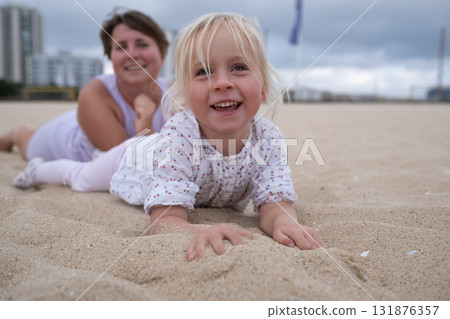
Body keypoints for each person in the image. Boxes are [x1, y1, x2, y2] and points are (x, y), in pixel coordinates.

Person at [12, 12, 323, 261]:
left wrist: (284, 222)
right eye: (204, 72)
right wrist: (192, 231)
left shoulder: (268, 138)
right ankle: (37, 169)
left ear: (264, 86)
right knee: (79, 176)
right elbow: (165, 220)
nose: (222, 83)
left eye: (239, 67)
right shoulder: (180, 135)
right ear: (185, 96)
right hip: (132, 159)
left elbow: (273, 201)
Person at [0, 10, 170, 162]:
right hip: (66, 142)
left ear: (162, 54)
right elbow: (126, 166)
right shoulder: (95, 92)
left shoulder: (176, 93)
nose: (131, 54)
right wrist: (146, 126)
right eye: (121, 47)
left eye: (142, 44)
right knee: (27, 143)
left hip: (90, 118)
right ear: (111, 58)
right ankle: (16, 132)